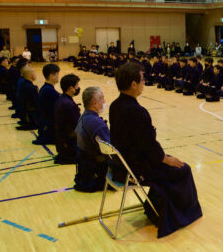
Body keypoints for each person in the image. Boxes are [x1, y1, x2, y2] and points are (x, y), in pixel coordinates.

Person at [109, 62, 203, 238]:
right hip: (139, 167)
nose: (144, 83)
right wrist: (164, 158)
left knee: (174, 165)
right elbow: (149, 145)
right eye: (142, 80)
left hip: (123, 164)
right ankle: (182, 214)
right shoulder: (137, 111)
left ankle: (157, 209)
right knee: (183, 169)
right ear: (133, 84)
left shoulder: (115, 105)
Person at [74, 87, 111, 192]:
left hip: (85, 167)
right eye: (102, 98)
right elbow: (109, 150)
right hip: (96, 170)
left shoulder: (83, 116)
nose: (104, 101)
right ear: (95, 102)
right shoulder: (96, 123)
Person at [54, 74, 81, 164]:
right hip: (68, 145)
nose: (78, 87)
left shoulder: (61, 99)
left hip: (61, 142)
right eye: (77, 85)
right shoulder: (69, 105)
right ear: (71, 88)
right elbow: (77, 126)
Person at [33, 63, 60, 145]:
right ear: (52, 76)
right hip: (48, 124)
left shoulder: (46, 88)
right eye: (57, 74)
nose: (58, 76)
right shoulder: (49, 90)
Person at [16, 66, 39, 131]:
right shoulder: (32, 87)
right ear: (30, 75)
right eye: (34, 73)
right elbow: (36, 103)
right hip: (30, 113)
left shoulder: (23, 84)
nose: (35, 74)